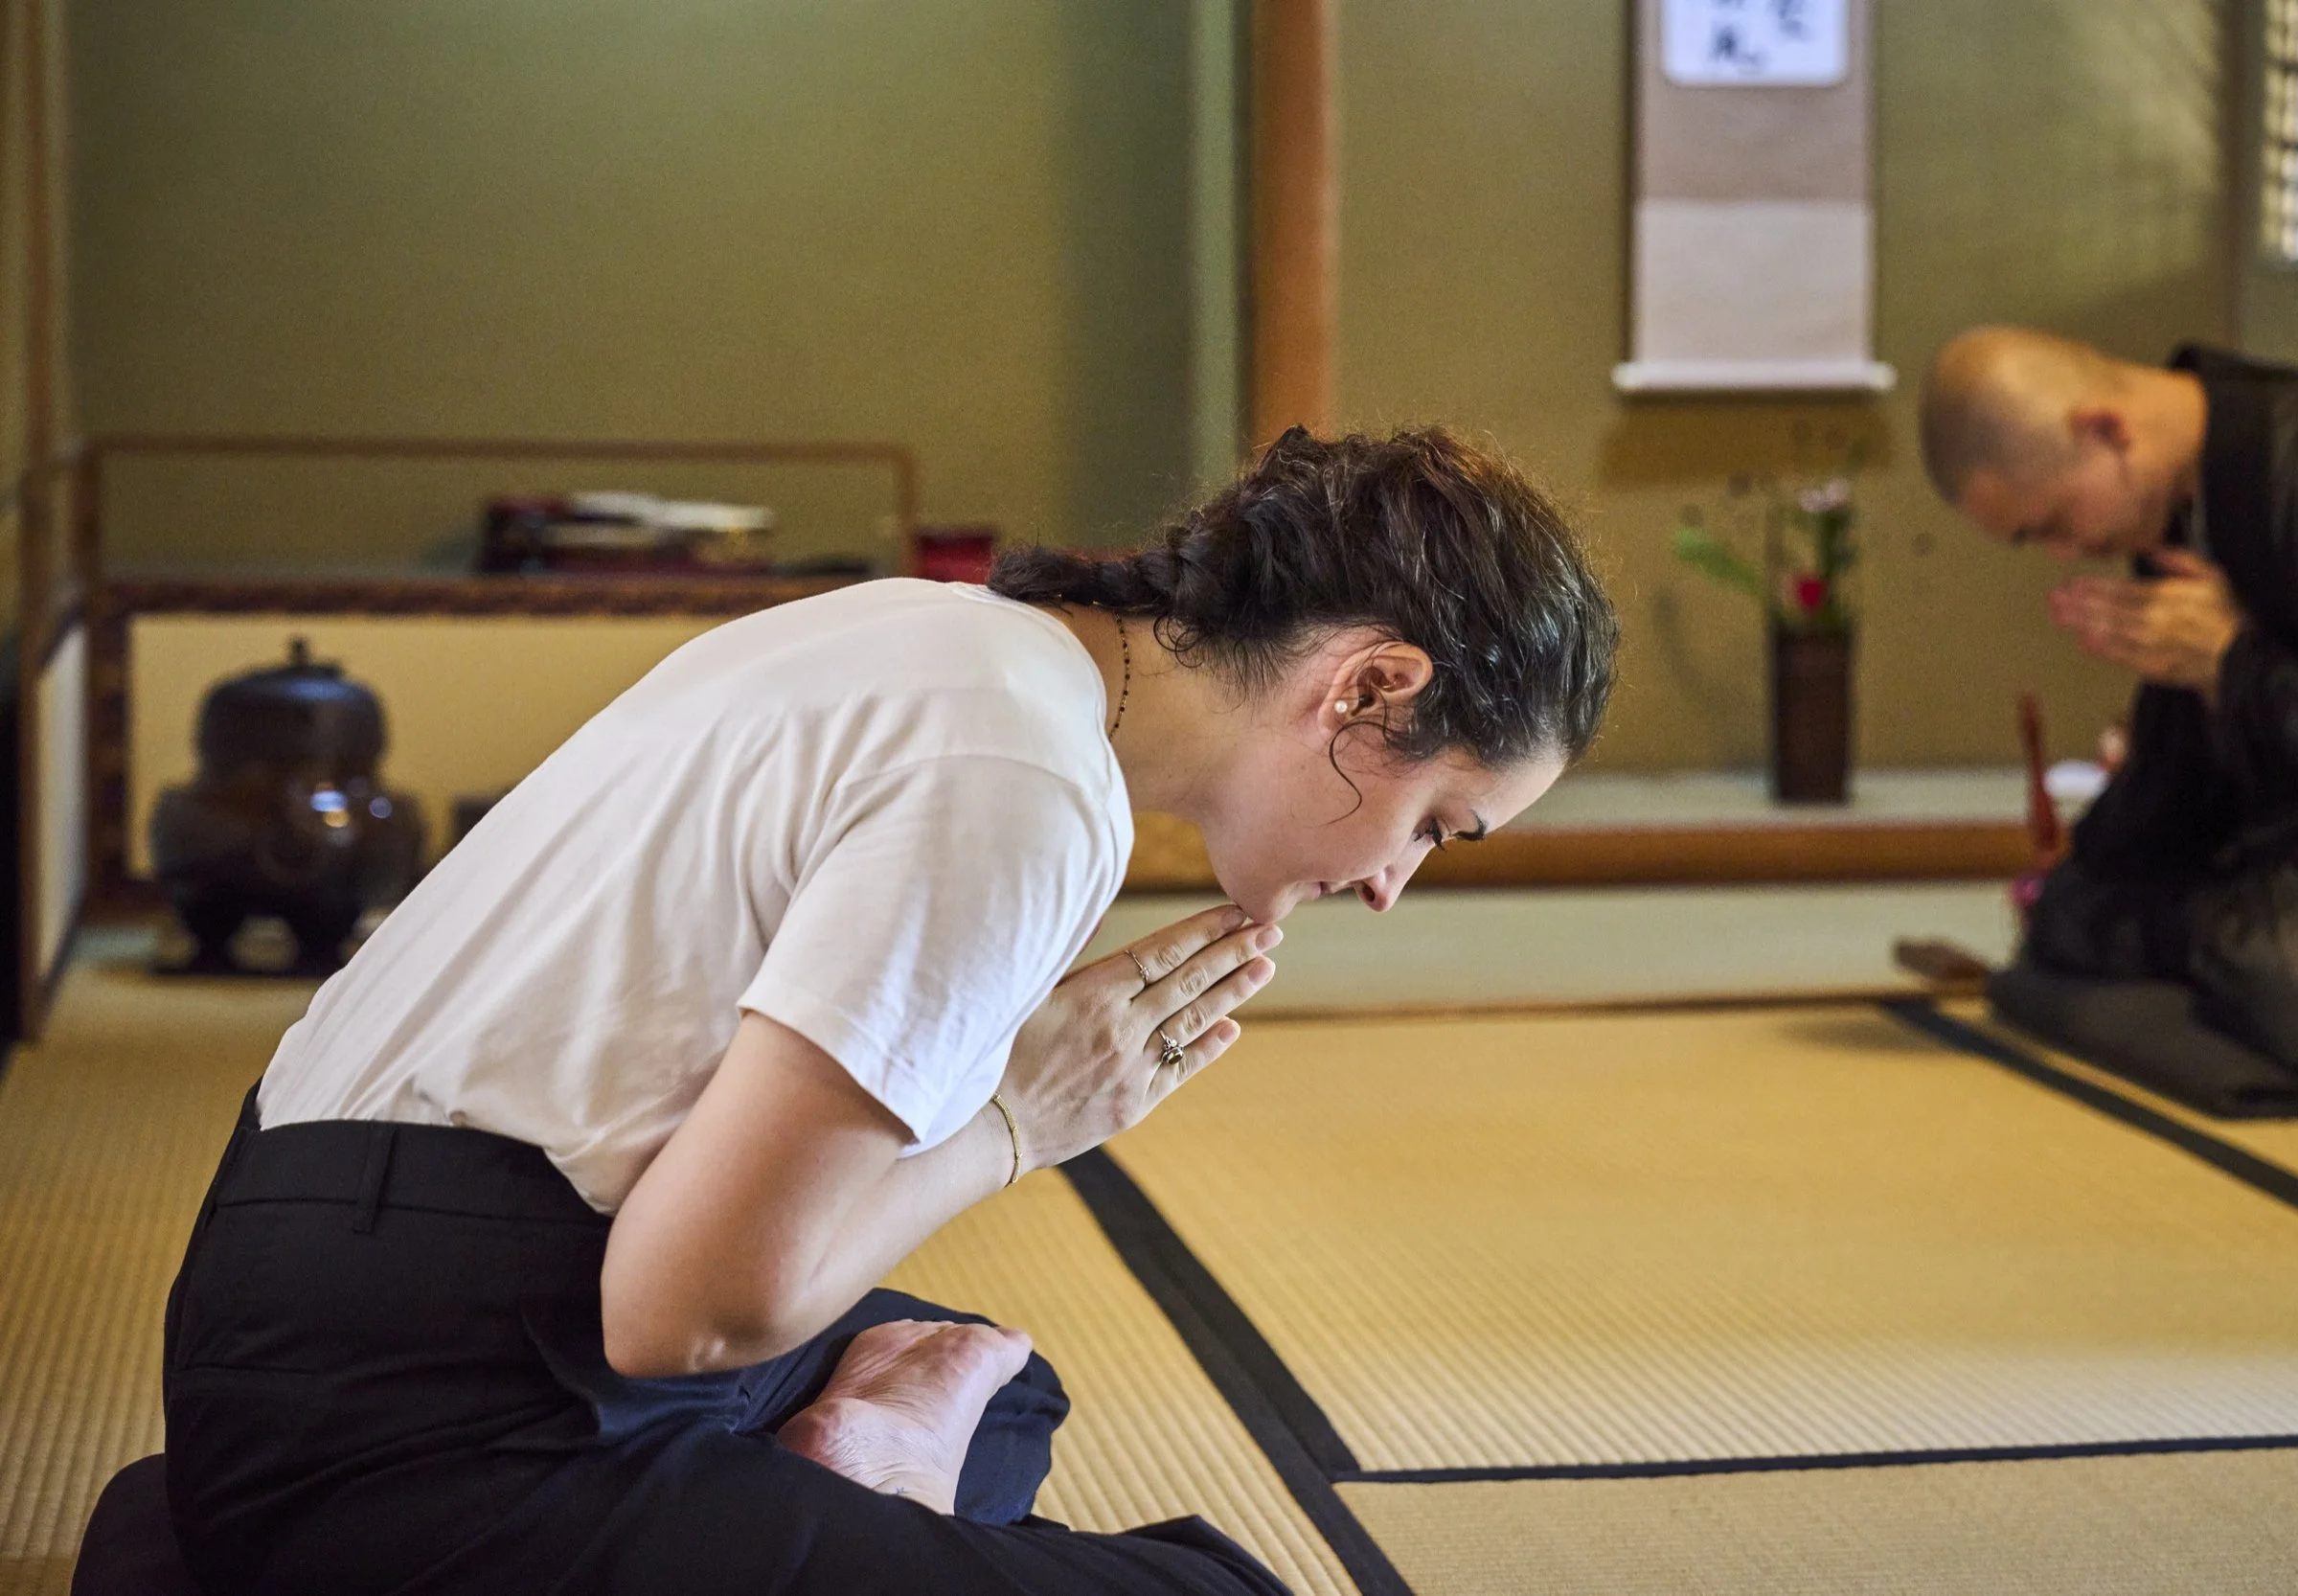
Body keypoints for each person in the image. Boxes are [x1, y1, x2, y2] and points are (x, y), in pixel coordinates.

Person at [160, 425, 1621, 1595]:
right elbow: (690, 1310)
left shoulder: (930, 631)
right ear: (1371, 685)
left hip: (297, 1285)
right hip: (436, 1416)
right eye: (1441, 823)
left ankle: (815, 1485)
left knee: (1005, 1391)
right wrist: (1017, 1116)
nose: (1391, 884)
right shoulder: (1029, 777)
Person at [1921, 326, 2298, 1077]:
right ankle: (2215, 933)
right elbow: (2179, 766)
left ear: (2106, 432)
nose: (2065, 553)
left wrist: (2233, 665)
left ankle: (2216, 936)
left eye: (2052, 524)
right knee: (2071, 920)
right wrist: (2084, 880)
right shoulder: (2185, 501)